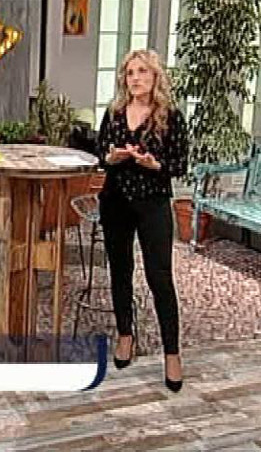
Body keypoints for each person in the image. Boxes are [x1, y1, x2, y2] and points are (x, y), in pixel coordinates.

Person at [96, 49, 188, 392]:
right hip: (115, 201)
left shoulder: (171, 117)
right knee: (120, 270)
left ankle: (172, 354)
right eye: (130, 72)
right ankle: (125, 335)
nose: (135, 78)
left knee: (159, 277)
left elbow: (180, 163)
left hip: (153, 203)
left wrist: (154, 165)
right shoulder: (114, 113)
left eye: (142, 72)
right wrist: (112, 157)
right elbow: (100, 153)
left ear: (155, 77)